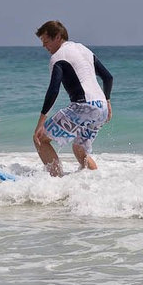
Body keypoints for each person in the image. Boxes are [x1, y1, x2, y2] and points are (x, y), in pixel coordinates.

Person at [32, 20, 113, 177]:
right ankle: (97, 182)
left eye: (46, 41)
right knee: (79, 148)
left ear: (58, 37)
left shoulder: (58, 57)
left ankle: (57, 183)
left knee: (41, 139)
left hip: (84, 107)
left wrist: (40, 123)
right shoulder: (84, 50)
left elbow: (53, 90)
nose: (44, 46)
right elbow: (108, 77)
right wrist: (108, 103)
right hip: (101, 108)